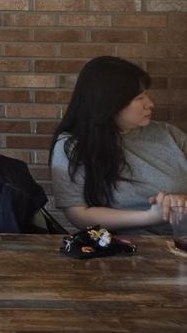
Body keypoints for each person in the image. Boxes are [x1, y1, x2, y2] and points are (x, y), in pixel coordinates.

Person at [50, 55, 187, 235]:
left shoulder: (169, 134)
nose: (150, 104)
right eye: (139, 98)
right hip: (129, 248)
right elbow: (79, 215)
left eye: (146, 95)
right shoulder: (73, 146)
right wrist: (152, 215)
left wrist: (183, 200)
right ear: (111, 104)